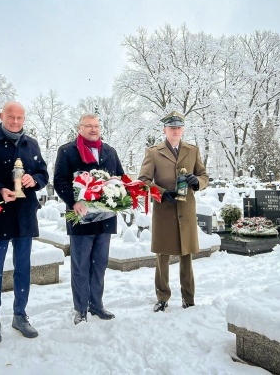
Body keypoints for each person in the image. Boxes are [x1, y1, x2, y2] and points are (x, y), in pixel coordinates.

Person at [0, 101, 48, 345]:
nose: (15, 121)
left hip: (24, 214)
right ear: (1, 115)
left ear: (24, 118)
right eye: (10, 117)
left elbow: (44, 174)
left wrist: (33, 180)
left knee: (23, 268)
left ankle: (20, 315)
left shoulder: (31, 143)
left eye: (19, 117)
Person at [53, 113, 124, 325]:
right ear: (80, 128)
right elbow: (60, 180)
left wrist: (120, 195)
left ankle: (97, 304)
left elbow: (119, 177)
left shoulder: (110, 152)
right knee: (81, 265)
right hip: (80, 216)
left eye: (96, 126)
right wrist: (74, 201)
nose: (93, 129)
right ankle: (80, 307)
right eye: (89, 126)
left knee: (99, 264)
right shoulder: (67, 151)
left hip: (105, 218)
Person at [138, 111, 209, 312]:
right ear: (165, 130)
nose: (176, 130)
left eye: (179, 127)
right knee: (162, 255)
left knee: (187, 254)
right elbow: (143, 181)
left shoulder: (192, 150)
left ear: (183, 129)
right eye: (172, 128)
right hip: (164, 209)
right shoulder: (153, 152)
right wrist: (160, 193)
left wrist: (198, 182)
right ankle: (162, 297)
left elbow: (203, 175)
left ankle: (189, 297)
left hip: (186, 208)